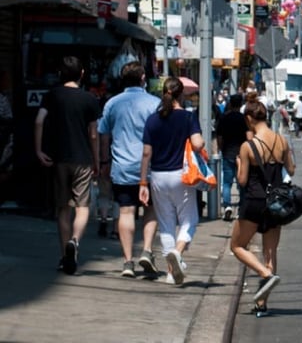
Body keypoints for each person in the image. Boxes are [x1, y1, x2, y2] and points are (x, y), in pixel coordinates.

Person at [34, 56, 101, 274]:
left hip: (58, 158)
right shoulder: (90, 99)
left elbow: (39, 120)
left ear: (60, 74)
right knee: (83, 208)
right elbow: (93, 134)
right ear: (82, 74)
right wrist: (97, 160)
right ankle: (75, 241)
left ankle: (65, 256)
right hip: (82, 159)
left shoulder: (52, 95)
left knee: (63, 209)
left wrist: (38, 150)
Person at [230, 94, 296, 315]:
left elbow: (242, 180)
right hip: (276, 201)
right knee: (271, 251)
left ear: (249, 119)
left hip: (254, 200)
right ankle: (262, 304)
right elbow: (292, 169)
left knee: (237, 245)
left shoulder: (248, 146)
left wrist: (240, 163)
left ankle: (265, 274)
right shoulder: (281, 141)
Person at [138, 77, 205, 286]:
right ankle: (177, 252)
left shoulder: (152, 120)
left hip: (157, 176)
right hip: (181, 175)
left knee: (166, 225)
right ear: (180, 94)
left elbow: (146, 153)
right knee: (189, 220)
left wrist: (142, 183)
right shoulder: (187, 117)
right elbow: (197, 143)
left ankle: (170, 273)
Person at [97, 61, 161, 278]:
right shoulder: (155, 103)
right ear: (143, 78)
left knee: (126, 211)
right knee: (151, 209)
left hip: (122, 165)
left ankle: (127, 261)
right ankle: (147, 250)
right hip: (150, 166)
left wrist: (104, 162)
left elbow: (104, 135)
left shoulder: (112, 103)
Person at [216, 93, 249, 222]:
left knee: (227, 183)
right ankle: (241, 208)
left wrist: (221, 148)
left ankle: (227, 206)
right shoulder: (243, 119)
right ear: (240, 104)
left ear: (230, 103)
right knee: (242, 182)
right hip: (241, 154)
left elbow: (219, 136)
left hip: (228, 153)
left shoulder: (225, 118)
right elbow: (248, 136)